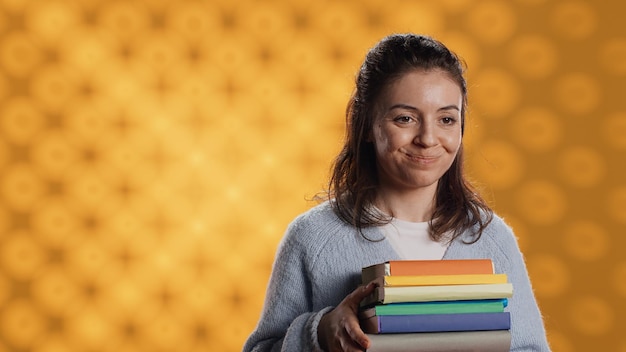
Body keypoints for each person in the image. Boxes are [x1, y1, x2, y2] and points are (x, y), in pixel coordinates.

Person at [243, 33, 550, 352]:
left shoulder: (491, 239)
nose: (428, 138)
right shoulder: (313, 238)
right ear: (366, 126)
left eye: (446, 119)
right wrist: (320, 333)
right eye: (405, 118)